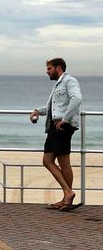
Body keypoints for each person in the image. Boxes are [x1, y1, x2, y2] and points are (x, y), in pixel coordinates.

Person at [29, 58, 82, 212]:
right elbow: (51, 108)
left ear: (58, 68)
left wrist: (65, 119)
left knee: (63, 162)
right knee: (48, 160)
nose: (47, 71)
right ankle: (67, 194)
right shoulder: (58, 84)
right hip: (55, 126)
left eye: (49, 68)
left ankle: (68, 195)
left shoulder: (69, 81)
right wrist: (38, 111)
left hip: (62, 127)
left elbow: (77, 98)